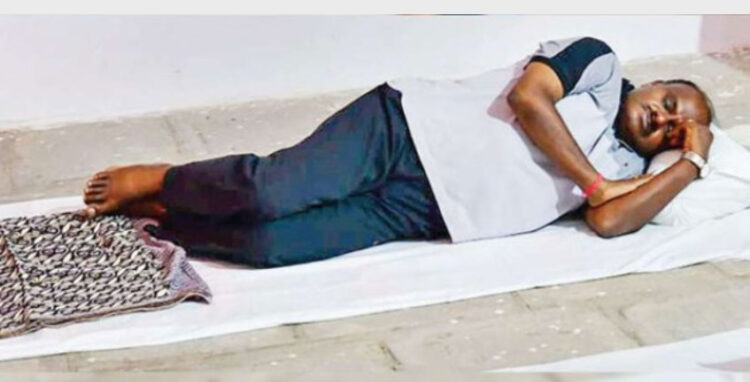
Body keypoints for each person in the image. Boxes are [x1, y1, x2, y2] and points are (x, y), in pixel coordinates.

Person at [79, 36, 715, 268]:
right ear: (654, 82)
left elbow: (608, 222)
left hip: (428, 212)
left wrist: (691, 162)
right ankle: (165, 177)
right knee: (269, 191)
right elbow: (529, 98)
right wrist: (594, 183)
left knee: (270, 246)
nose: (664, 120)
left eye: (675, 129)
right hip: (403, 129)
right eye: (669, 101)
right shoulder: (599, 67)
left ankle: (167, 214)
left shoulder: (635, 171)